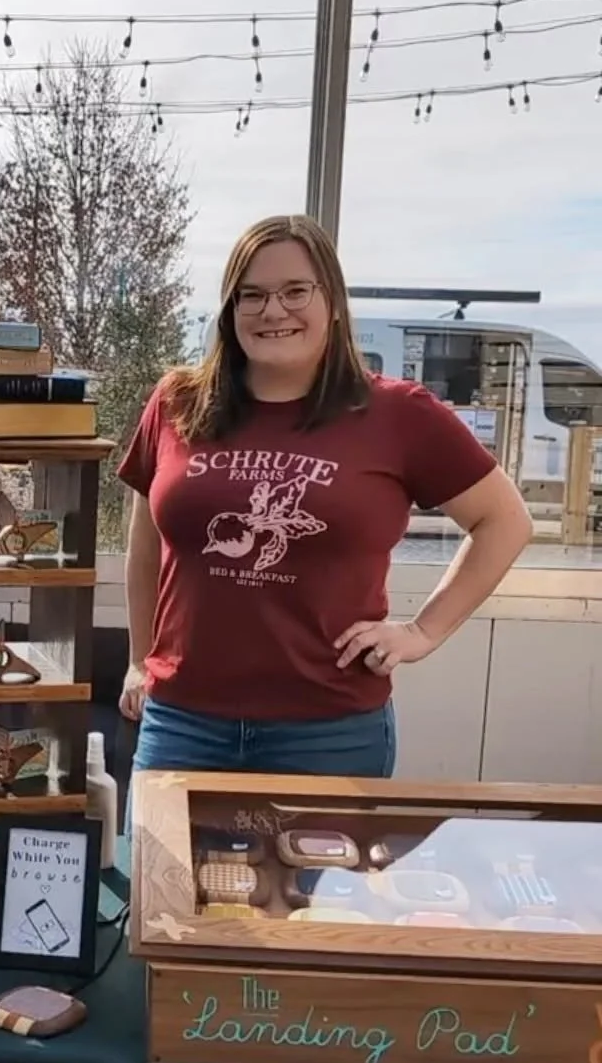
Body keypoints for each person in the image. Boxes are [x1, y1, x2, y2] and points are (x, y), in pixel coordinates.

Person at [117, 213, 534, 778]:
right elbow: (146, 542)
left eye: (295, 292)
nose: (273, 311)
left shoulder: (399, 413)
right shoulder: (177, 404)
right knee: (164, 872)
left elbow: (504, 521)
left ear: (332, 301)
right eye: (253, 295)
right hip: (183, 723)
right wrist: (140, 661)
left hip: (329, 732)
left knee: (320, 873)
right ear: (231, 309)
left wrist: (422, 632)